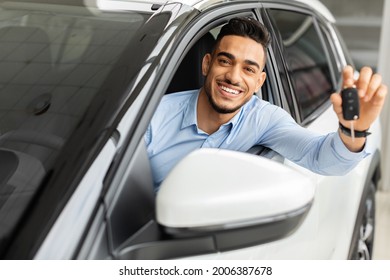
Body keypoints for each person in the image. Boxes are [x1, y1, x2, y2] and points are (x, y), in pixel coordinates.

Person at [145, 17, 388, 190]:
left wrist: (351, 129)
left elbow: (320, 158)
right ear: (207, 64)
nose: (234, 77)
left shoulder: (264, 120)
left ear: (260, 81)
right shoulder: (152, 116)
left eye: (248, 69)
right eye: (225, 61)